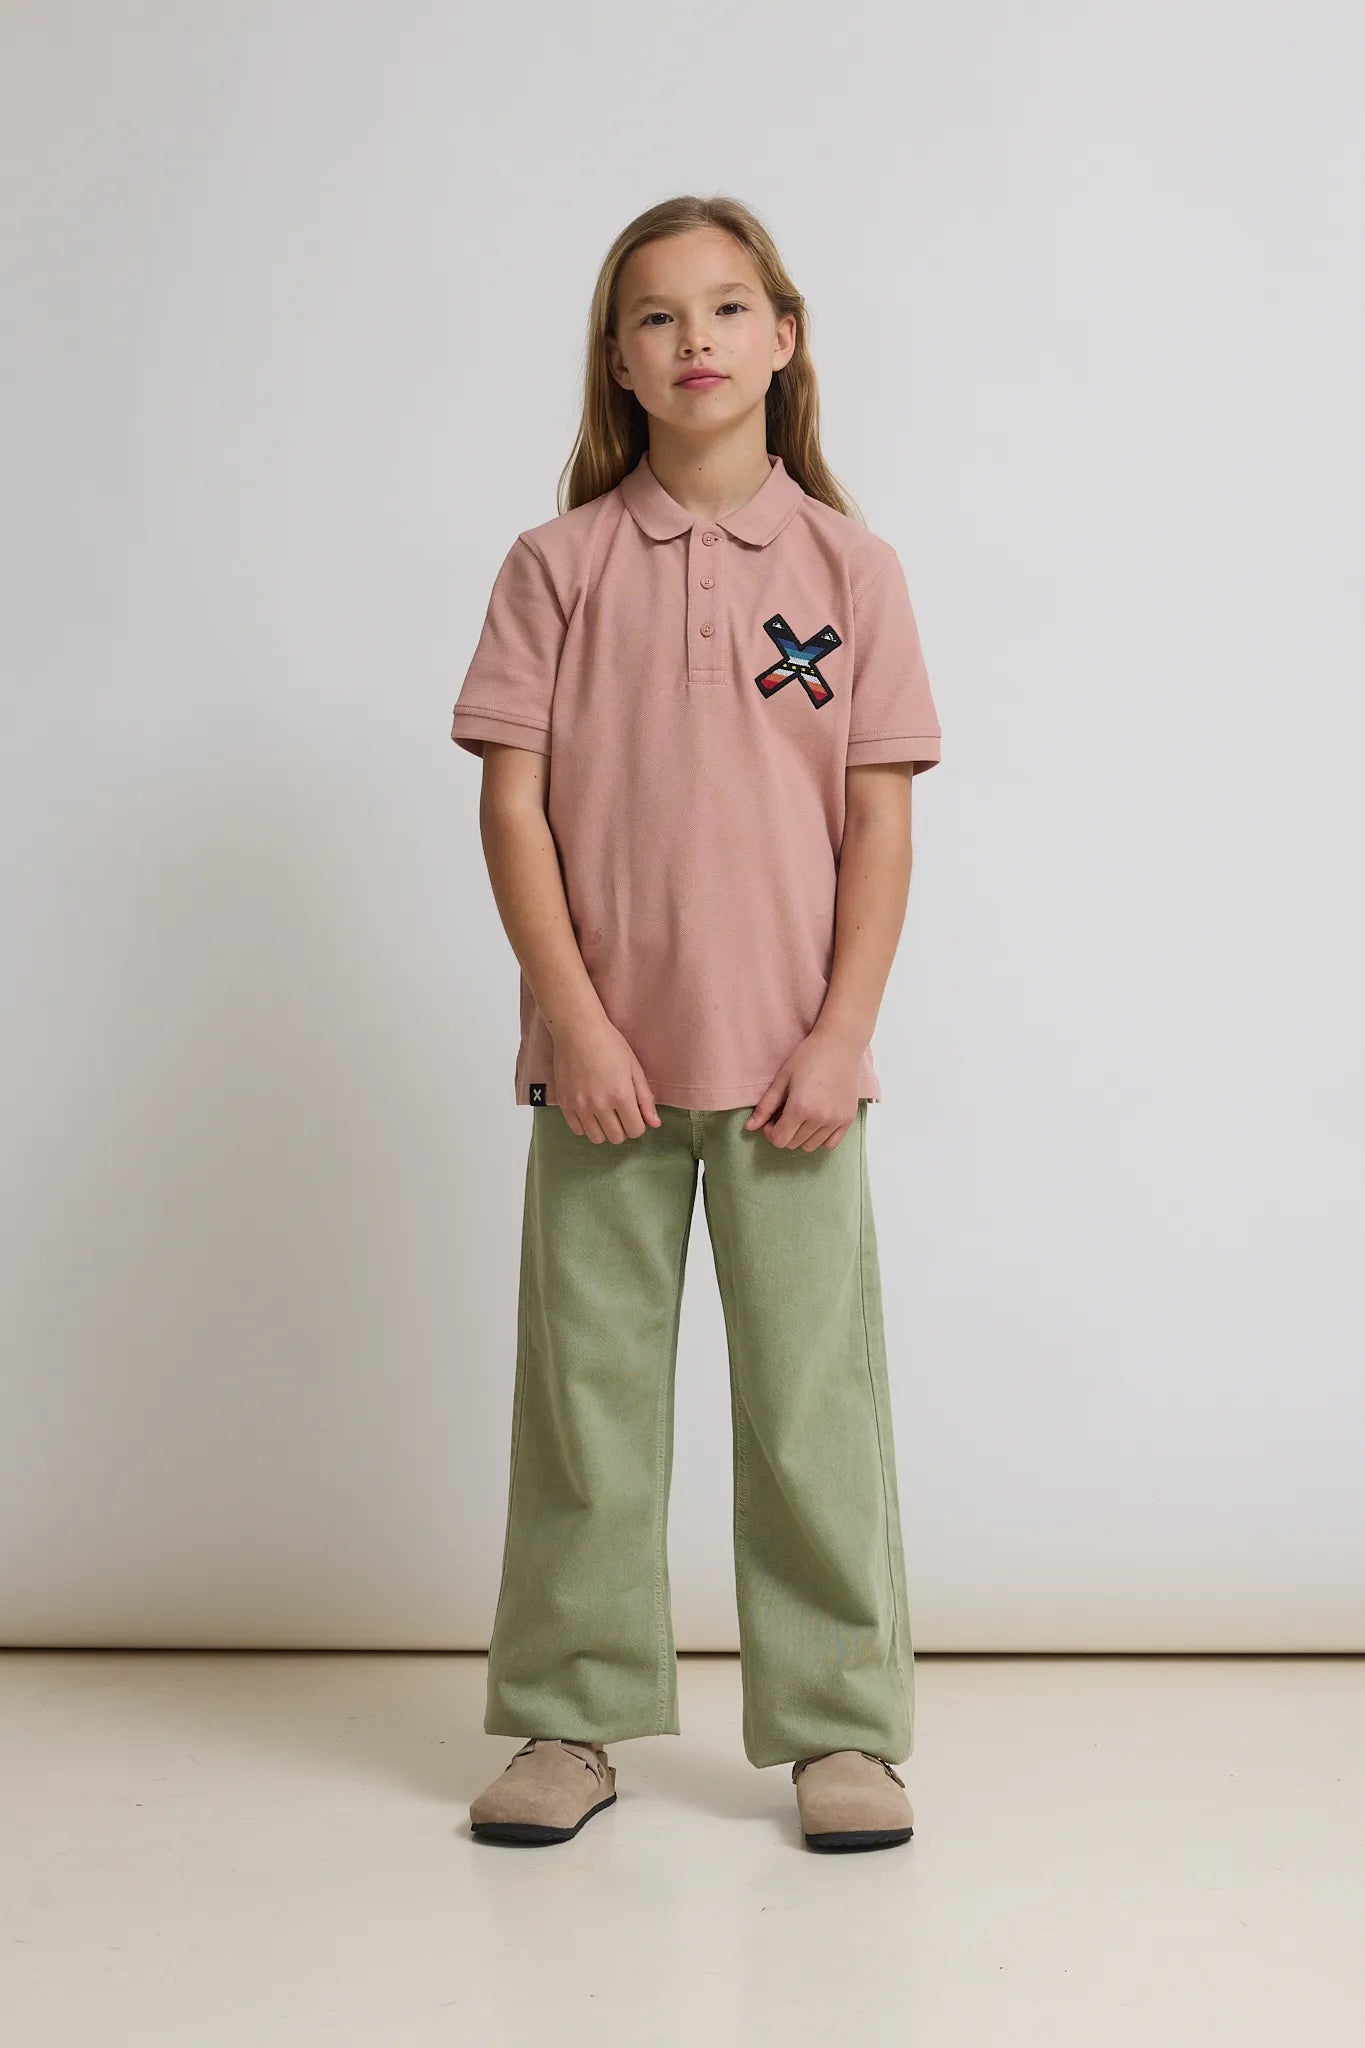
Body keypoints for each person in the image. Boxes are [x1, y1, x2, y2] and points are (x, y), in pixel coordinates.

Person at [451, 194, 942, 1853]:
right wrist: (575, 1026)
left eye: (728, 308)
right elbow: (512, 812)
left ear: (782, 340)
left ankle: (840, 1728)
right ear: (618, 359)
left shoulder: (852, 573)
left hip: (794, 1071)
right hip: (603, 1071)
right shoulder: (555, 569)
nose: (696, 340)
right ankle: (567, 1717)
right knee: (584, 1408)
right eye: (657, 316)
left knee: (811, 1407)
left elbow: (879, 826)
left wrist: (838, 1036)